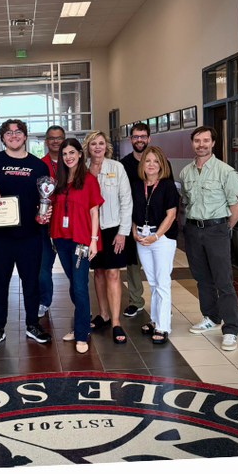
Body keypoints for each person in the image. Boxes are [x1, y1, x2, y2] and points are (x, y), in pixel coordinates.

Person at [0, 119, 52, 350]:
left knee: (31, 283)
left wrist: (45, 212)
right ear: (2, 136)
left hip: (31, 235)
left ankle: (32, 324)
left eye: (18, 132)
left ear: (25, 136)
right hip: (0, 238)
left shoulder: (39, 166)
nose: (14, 135)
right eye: (9, 132)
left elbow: (45, 198)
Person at [179, 125, 238, 351]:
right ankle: (210, 317)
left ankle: (231, 329)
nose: (201, 145)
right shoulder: (186, 172)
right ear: (193, 143)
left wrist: (226, 227)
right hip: (193, 229)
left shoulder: (225, 171)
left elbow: (237, 202)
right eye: (197, 141)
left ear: (213, 143)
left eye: (206, 141)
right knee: (201, 278)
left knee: (224, 282)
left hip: (216, 229)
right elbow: (186, 201)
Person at [51, 138, 102, 354]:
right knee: (73, 283)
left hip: (81, 239)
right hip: (60, 238)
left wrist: (93, 239)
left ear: (80, 154)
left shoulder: (89, 180)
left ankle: (82, 333)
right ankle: (80, 323)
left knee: (80, 286)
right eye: (64, 154)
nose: (68, 157)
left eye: (72, 152)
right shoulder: (58, 181)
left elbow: (94, 212)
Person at [84, 130, 132, 344]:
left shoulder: (117, 167)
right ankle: (102, 315)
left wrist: (123, 231)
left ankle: (115, 320)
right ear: (87, 146)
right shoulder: (81, 168)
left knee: (113, 274)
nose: (97, 147)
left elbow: (126, 201)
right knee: (98, 273)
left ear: (106, 146)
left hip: (113, 229)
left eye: (101, 143)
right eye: (93, 143)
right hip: (89, 230)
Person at [132, 145, 180, 345]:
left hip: (162, 239)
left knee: (162, 282)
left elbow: (171, 215)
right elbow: (132, 212)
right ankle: (154, 320)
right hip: (142, 238)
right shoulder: (137, 185)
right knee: (152, 282)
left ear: (161, 165)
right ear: (142, 164)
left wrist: (156, 236)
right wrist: (134, 233)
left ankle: (163, 326)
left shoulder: (168, 186)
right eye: (147, 161)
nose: (151, 165)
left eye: (155, 161)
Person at [119, 122, 151, 318]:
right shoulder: (124, 165)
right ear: (130, 140)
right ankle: (136, 300)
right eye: (136, 137)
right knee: (133, 264)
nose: (139, 140)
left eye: (143, 136)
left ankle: (160, 303)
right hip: (132, 221)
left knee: (157, 265)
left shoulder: (159, 161)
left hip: (156, 222)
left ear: (149, 138)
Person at [38, 124, 66, 317]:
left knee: (74, 269)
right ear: (46, 141)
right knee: (43, 267)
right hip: (44, 224)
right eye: (52, 138)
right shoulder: (39, 164)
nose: (56, 141)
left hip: (68, 224)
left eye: (59, 138)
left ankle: (81, 304)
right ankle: (43, 301)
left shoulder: (72, 162)